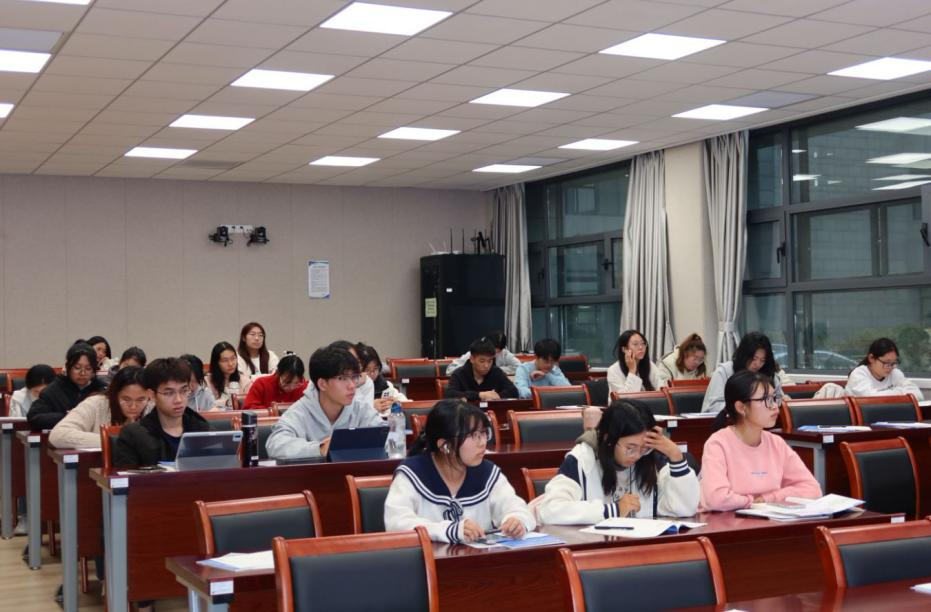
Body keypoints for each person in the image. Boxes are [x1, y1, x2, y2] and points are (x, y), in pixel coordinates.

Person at [384, 399, 536, 543]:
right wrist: (448, 530)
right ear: (445, 445)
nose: (483, 442)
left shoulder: (487, 472)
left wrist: (517, 520)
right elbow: (396, 523)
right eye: (474, 435)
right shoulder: (412, 474)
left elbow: (518, 508)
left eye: (484, 433)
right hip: (426, 560)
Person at [534, 400, 699, 523]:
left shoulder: (651, 457)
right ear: (609, 439)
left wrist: (676, 456)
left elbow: (684, 509)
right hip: (593, 552)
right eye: (630, 448)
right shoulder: (582, 459)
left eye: (644, 448)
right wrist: (613, 510)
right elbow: (550, 510)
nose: (637, 455)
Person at [700, 370, 821, 511]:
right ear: (741, 407)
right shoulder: (718, 444)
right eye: (767, 400)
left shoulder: (777, 443)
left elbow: (813, 489)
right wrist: (752, 503)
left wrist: (768, 499)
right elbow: (716, 498)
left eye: (774, 398)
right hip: (727, 521)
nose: (775, 406)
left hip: (769, 519)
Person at [265, 346, 383, 460]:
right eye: (343, 378)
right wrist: (319, 449)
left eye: (354, 377)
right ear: (322, 384)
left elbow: (386, 436)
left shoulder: (360, 408)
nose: (352, 386)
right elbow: (275, 444)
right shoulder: (300, 411)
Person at [112, 358, 209, 468]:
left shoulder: (202, 429)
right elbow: (127, 476)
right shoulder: (134, 435)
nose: (178, 400)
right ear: (152, 395)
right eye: (169, 393)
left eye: (184, 391)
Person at [49, 366, 148, 449]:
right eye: (126, 399)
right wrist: (115, 441)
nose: (133, 406)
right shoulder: (96, 404)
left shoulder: (152, 406)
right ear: (114, 395)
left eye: (141, 400)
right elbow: (58, 435)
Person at [27, 343, 106, 430]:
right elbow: (34, 418)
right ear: (68, 367)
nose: (83, 373)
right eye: (77, 367)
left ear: (94, 370)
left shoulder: (102, 390)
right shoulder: (54, 389)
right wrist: (68, 416)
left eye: (88, 368)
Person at [701, 332, 784, 414]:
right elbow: (714, 407)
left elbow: (779, 400)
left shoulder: (768, 374)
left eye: (762, 360)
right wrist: (747, 409)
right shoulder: (724, 372)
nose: (758, 364)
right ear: (744, 355)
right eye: (754, 359)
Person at [846, 337, 923, 400]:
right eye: (886, 362)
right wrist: (899, 391)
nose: (891, 367)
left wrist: (894, 393)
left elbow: (918, 395)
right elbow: (872, 399)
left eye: (894, 362)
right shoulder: (858, 375)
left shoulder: (894, 373)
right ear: (871, 358)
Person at [445, 338, 518, 401]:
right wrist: (479, 395)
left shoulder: (496, 372)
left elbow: (513, 391)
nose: (486, 366)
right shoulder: (459, 373)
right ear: (472, 359)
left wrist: (497, 396)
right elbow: (450, 394)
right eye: (482, 361)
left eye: (490, 361)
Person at [607, 330, 664, 396]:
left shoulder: (650, 365)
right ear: (624, 349)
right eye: (635, 344)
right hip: (625, 402)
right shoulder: (613, 370)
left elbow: (661, 389)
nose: (641, 347)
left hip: (648, 402)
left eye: (643, 343)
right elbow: (626, 397)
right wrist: (632, 370)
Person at [242, 354, 308, 409]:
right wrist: (272, 411)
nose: (291, 387)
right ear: (278, 373)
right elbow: (248, 408)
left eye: (296, 383)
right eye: (287, 382)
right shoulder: (261, 384)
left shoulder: (305, 387)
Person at [357, 344, 408, 414]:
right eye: (367, 370)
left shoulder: (384, 385)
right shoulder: (351, 387)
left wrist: (397, 402)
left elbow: (406, 402)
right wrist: (371, 407)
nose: (372, 374)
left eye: (375, 369)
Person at [445, 331, 522, 376]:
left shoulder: (504, 353)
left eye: (497, 352)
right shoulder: (475, 353)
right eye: (482, 361)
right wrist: (473, 369)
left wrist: (497, 370)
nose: (493, 355)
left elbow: (520, 368)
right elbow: (450, 370)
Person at [206, 341, 249, 409]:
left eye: (233, 358)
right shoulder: (206, 382)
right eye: (225, 360)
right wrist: (227, 402)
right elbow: (206, 404)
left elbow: (250, 403)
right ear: (216, 363)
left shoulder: (245, 381)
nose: (230, 364)